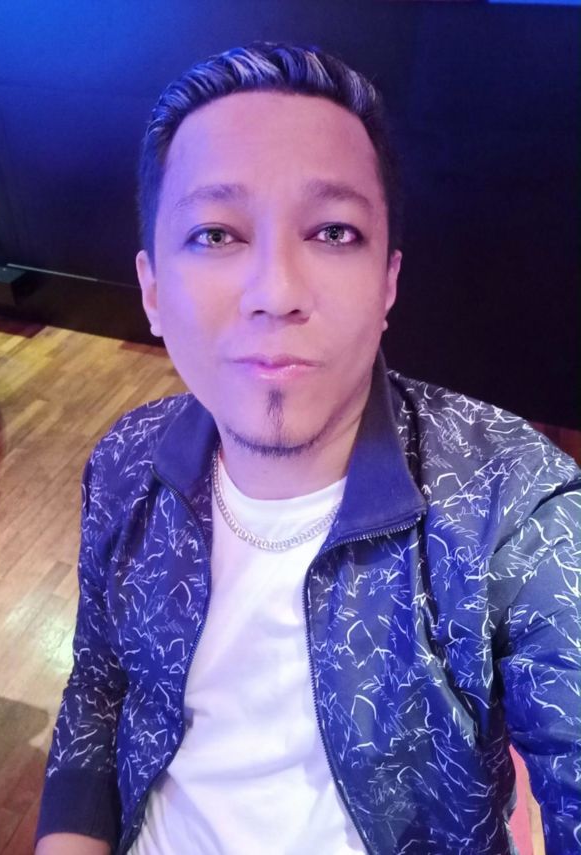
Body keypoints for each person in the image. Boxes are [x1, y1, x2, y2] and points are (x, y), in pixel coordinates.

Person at [35, 42, 581, 855]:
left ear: (388, 281)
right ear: (151, 290)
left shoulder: (515, 507)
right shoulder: (125, 464)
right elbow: (98, 685)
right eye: (215, 233)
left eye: (333, 231)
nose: (277, 292)